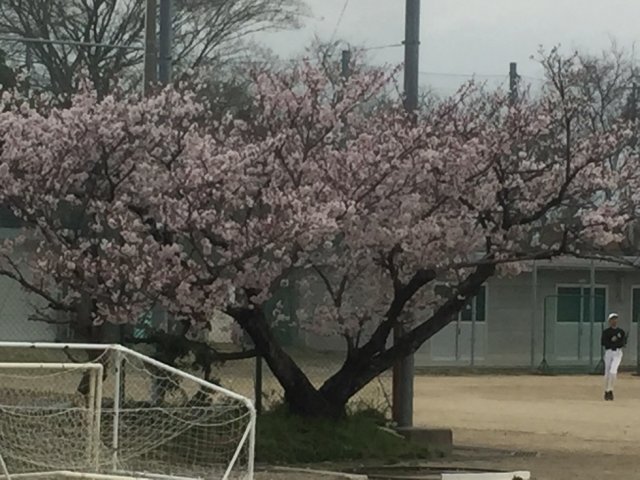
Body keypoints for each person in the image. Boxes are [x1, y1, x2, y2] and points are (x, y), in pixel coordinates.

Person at [601, 313, 626, 401]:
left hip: (617, 352)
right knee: (607, 372)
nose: (614, 321)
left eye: (615, 319)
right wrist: (612, 342)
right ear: (609, 321)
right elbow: (604, 342)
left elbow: (623, 343)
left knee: (613, 371)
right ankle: (606, 390)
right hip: (609, 352)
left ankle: (610, 389)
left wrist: (616, 343)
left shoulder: (621, 332)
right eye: (612, 319)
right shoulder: (606, 332)